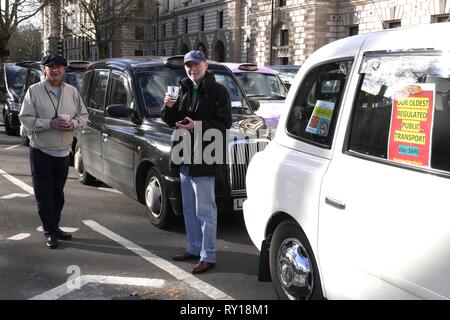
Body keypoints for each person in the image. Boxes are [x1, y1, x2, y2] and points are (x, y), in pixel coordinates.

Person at [162, 50, 232, 274]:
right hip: (184, 154)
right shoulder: (183, 88)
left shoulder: (219, 91)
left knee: (206, 210)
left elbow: (224, 123)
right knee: (189, 208)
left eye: (196, 65)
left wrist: (197, 126)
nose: (192, 69)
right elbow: (171, 121)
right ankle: (193, 248)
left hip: (205, 155)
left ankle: (208, 255)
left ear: (205, 65)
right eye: (188, 66)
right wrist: (168, 108)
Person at [19, 53, 88, 249]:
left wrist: (73, 123)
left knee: (58, 194)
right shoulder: (34, 91)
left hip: (63, 152)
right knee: (44, 194)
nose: (55, 70)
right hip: (41, 151)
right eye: (51, 67)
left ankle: (55, 227)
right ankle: (49, 232)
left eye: (59, 67)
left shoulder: (72, 91)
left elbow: (83, 115)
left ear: (64, 70)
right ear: (44, 70)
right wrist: (50, 123)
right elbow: (25, 118)